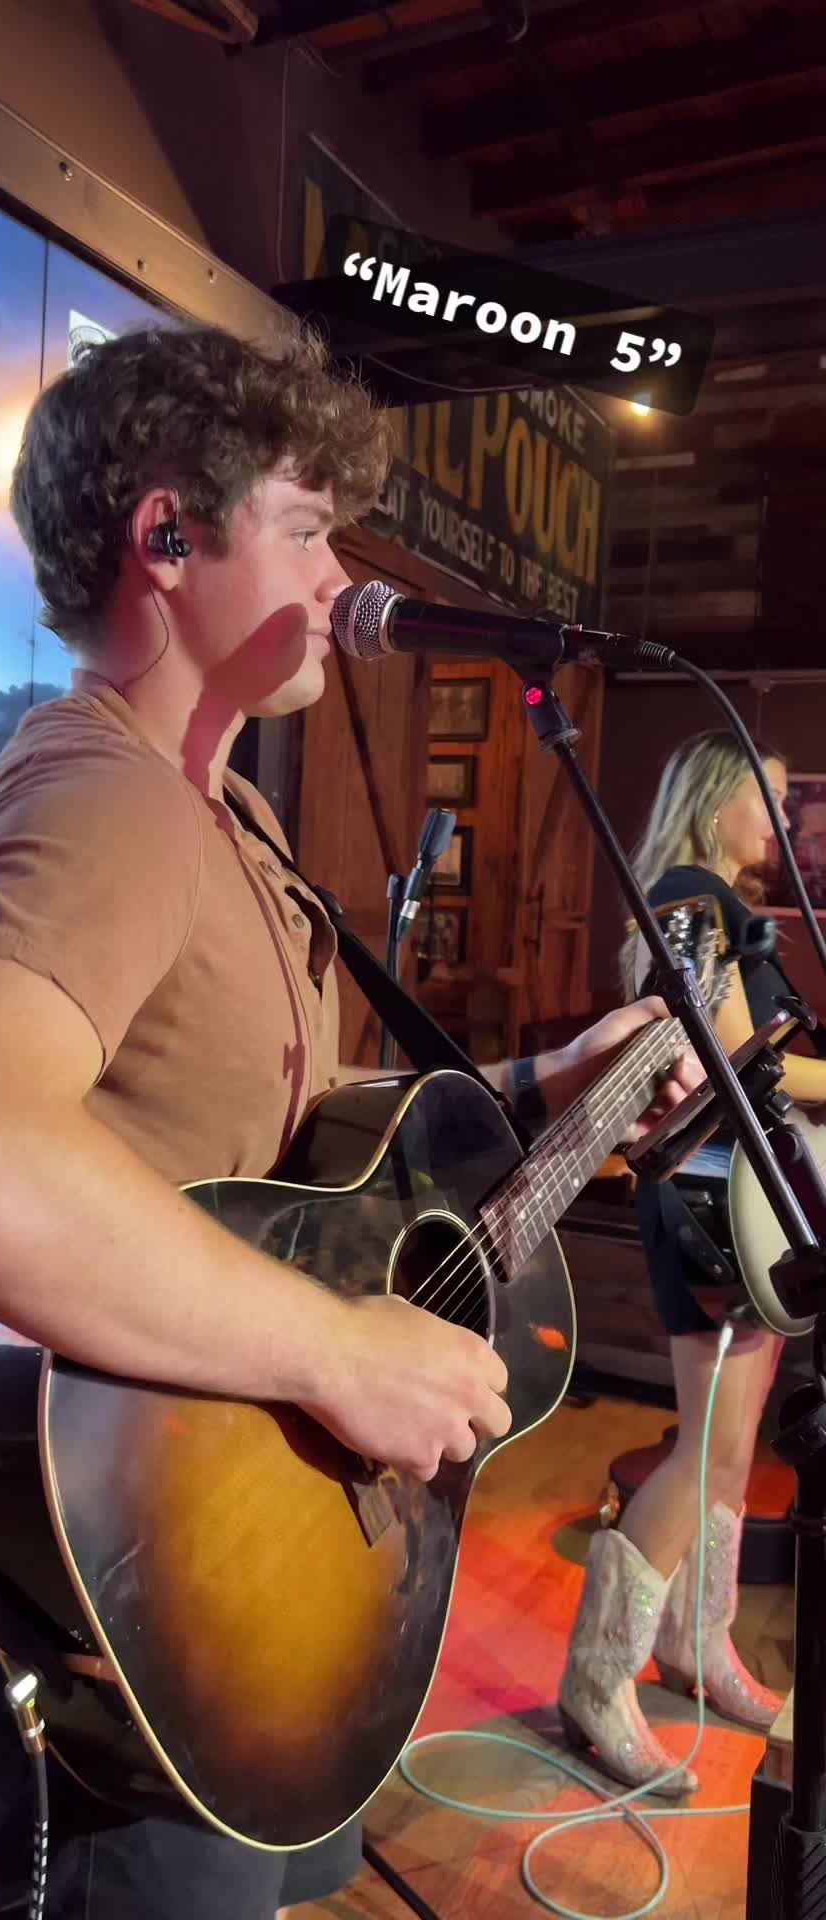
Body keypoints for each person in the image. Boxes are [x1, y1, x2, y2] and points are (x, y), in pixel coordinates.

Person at [0, 322, 700, 1920]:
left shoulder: (226, 811)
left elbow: (319, 1157)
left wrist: (553, 1087)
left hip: (249, 1557)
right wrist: (340, 1353)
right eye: (308, 529)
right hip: (129, 1585)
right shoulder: (106, 794)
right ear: (168, 537)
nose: (340, 577)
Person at [560, 730, 825, 1798]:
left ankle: (692, 1646)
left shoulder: (717, 905)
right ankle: (598, 1677)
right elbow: (731, 1059)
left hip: (741, 1203)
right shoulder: (687, 895)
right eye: (767, 795)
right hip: (710, 1203)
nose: (783, 816)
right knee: (706, 1450)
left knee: (731, 1449)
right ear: (715, 800)